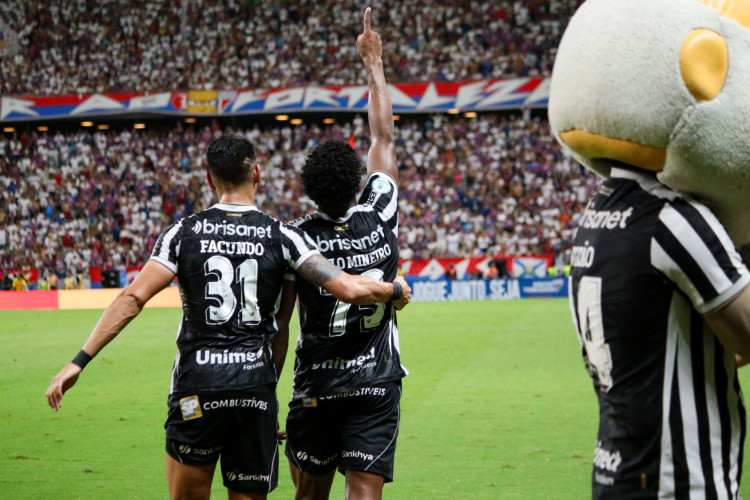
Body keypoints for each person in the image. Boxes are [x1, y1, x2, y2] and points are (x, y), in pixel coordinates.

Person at [46, 134, 410, 500]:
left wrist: (79, 361)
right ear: (257, 174)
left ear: (208, 179)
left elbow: (131, 298)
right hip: (254, 394)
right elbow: (343, 290)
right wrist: (395, 290)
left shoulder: (182, 233)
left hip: (197, 390)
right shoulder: (283, 237)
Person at [282, 9, 407, 500]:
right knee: (364, 492)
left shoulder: (296, 238)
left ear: (310, 191)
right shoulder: (380, 211)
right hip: (377, 381)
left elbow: (280, 323)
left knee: (308, 493)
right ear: (360, 182)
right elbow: (383, 137)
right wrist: (373, 64)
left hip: (316, 383)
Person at [569, 162, 750, 498]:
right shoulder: (673, 218)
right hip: (681, 478)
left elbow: (661, 352)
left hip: (619, 470)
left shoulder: (595, 216)